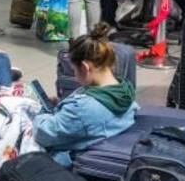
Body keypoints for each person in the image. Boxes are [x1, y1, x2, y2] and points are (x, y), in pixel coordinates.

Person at [31, 23, 138, 166]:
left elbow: (43, 134)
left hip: (61, 162)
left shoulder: (83, 108)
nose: (75, 75)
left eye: (74, 69)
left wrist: (43, 111)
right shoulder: (124, 89)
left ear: (85, 67)